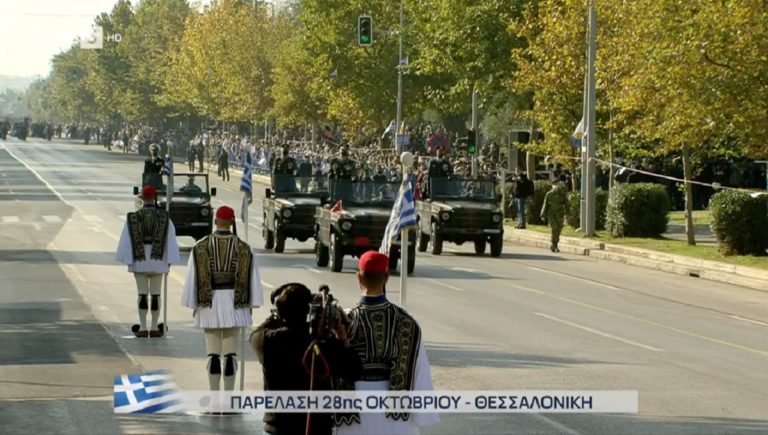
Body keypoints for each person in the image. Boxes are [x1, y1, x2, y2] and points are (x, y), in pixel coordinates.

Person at [335, 251, 438, 435]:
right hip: (395, 415)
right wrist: (423, 415)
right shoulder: (407, 322)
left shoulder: (343, 320)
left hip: (354, 413)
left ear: (359, 278)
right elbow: (419, 371)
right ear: (387, 278)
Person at [251, 283, 362, 435]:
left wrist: (276, 314)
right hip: (316, 427)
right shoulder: (322, 345)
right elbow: (354, 370)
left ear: (279, 310)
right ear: (307, 311)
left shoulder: (267, 341)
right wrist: (342, 337)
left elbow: (256, 332)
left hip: (278, 427)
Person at [182, 206, 264, 390]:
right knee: (230, 355)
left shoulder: (200, 246)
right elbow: (253, 280)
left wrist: (194, 303)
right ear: (232, 222)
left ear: (216, 221)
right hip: (235, 303)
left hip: (208, 303)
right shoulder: (244, 248)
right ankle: (228, 399)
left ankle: (214, 398)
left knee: (212, 355)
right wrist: (250, 304)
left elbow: (192, 279)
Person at [116, 185, 181, 337]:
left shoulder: (133, 218)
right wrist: (169, 260)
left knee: (142, 295)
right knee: (156, 295)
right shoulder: (165, 218)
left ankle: (143, 327)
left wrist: (128, 260)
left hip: (140, 261)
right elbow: (170, 240)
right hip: (158, 261)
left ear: (142, 198)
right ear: (155, 198)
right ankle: (155, 327)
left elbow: (126, 241)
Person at [540, 175, 568, 252]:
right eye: (554, 184)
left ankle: (555, 244)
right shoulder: (549, 194)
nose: (556, 186)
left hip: (560, 213)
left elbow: (566, 204)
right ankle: (553, 243)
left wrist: (567, 214)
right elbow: (545, 205)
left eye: (557, 184)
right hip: (551, 214)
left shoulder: (562, 193)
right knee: (554, 228)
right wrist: (542, 215)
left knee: (559, 229)